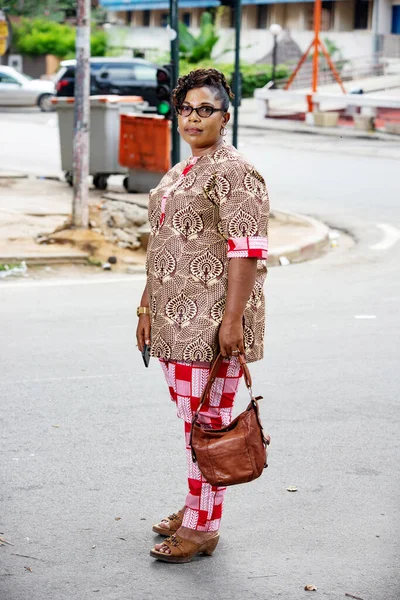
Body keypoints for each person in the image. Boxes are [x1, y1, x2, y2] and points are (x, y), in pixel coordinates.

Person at [136, 68, 269, 564]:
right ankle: (196, 508)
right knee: (193, 425)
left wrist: (231, 323)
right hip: (173, 321)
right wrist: (146, 305)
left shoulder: (235, 171)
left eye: (205, 109)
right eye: (186, 109)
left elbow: (247, 251)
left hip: (212, 323)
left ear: (225, 117)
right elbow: (162, 245)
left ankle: (202, 528)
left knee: (207, 427)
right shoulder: (181, 170)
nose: (193, 117)